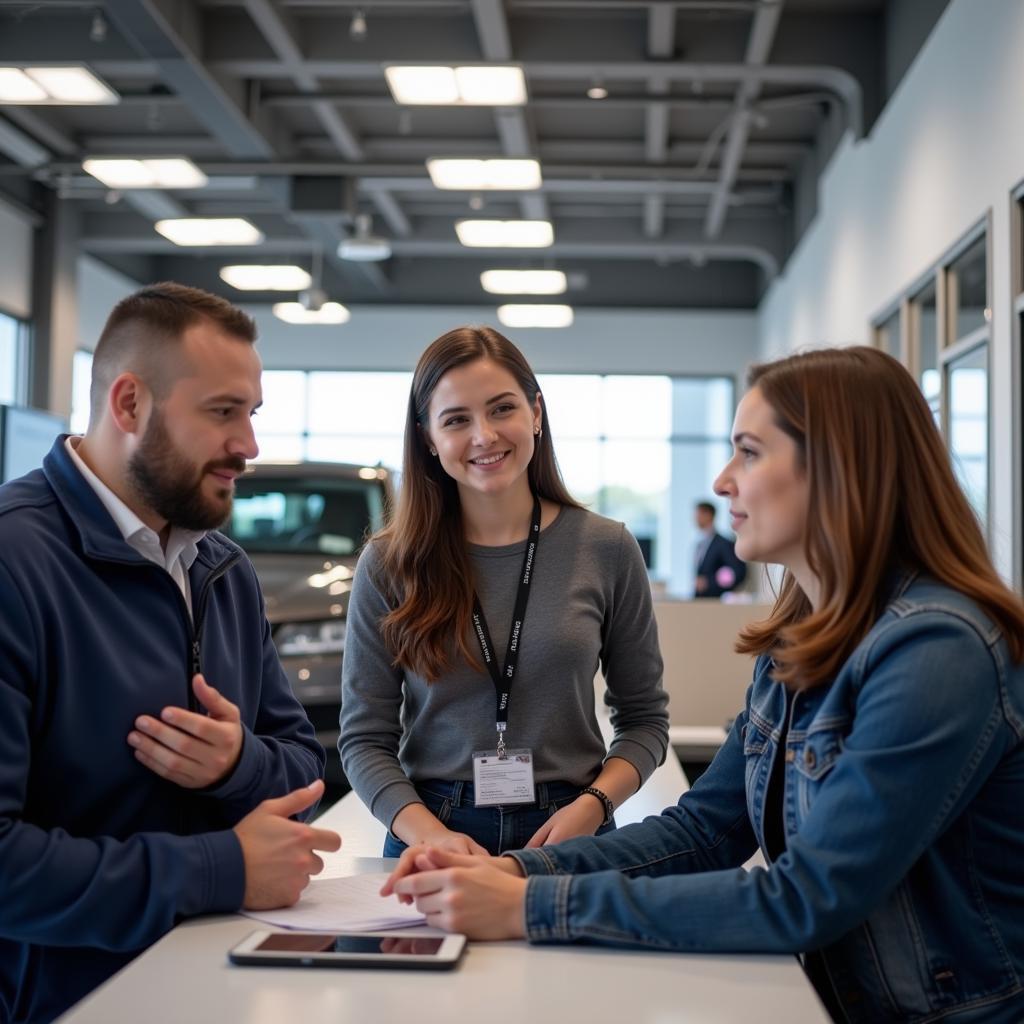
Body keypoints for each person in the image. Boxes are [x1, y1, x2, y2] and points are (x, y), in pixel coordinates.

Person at [384, 346, 1024, 1024]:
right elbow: (705, 829)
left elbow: (805, 899)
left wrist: (528, 905)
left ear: (840, 469)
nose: (722, 483)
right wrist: (518, 875)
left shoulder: (938, 648)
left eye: (748, 452)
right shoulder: (799, 643)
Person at [0, 284, 341, 1024]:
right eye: (223, 412)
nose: (248, 446)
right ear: (129, 405)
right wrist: (224, 867)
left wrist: (235, 765)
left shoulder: (221, 569)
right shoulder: (14, 563)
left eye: (252, 414)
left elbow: (299, 761)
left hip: (223, 980)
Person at [339, 325, 669, 858]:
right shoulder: (389, 564)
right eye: (456, 420)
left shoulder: (606, 547)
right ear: (428, 437)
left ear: (536, 413)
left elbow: (645, 720)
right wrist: (432, 835)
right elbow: (363, 740)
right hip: (433, 827)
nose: (484, 436)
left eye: (501, 409)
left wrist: (594, 805)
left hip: (572, 821)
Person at [693, 499, 746, 598]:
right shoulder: (699, 544)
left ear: (708, 515)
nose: (695, 518)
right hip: (699, 601)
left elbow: (737, 572)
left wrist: (708, 582)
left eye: (698, 514)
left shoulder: (724, 544)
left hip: (716, 602)